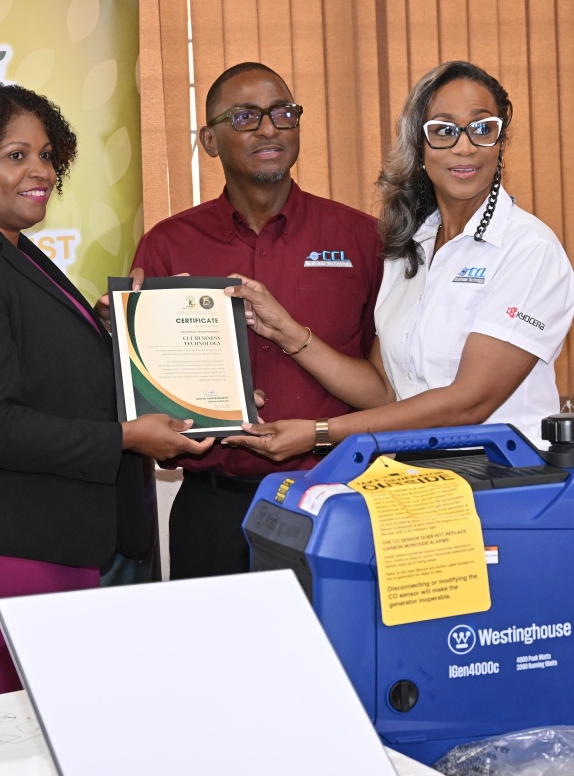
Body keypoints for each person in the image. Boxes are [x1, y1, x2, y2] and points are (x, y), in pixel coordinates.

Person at [0, 83, 212, 701]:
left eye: (47, 155)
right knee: (8, 748)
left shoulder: (13, 251)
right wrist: (128, 436)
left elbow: (46, 375)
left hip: (55, 542)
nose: (40, 171)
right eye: (15, 155)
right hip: (5, 549)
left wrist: (118, 335)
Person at [223, 61, 574, 460]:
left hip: (508, 480)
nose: (465, 147)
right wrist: (285, 331)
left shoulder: (528, 248)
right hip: (422, 481)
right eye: (443, 131)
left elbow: (469, 402)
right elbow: (385, 389)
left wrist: (320, 433)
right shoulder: (411, 247)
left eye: (482, 129)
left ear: (500, 142)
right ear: (419, 146)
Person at [124, 62, 383, 579]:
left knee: (335, 659)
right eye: (245, 116)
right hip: (213, 510)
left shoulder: (364, 239)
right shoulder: (168, 245)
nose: (269, 128)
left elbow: (389, 389)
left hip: (334, 501)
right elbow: (149, 388)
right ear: (210, 140)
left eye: (283, 113)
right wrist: (124, 339)